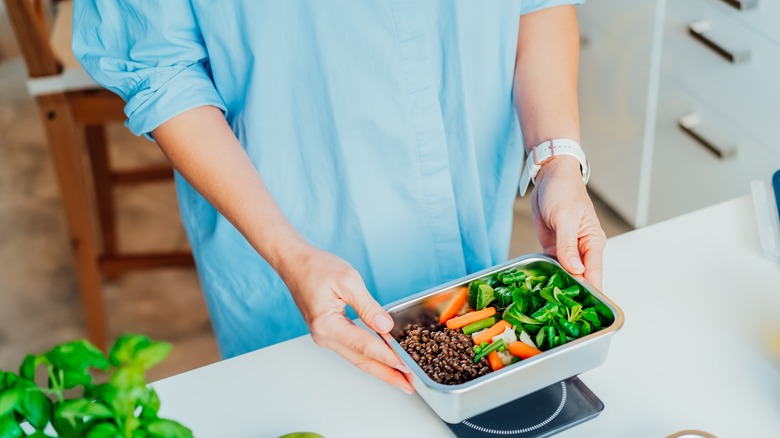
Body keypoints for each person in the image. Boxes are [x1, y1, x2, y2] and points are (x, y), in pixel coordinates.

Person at [73, 0, 605, 394]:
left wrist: (556, 159)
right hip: (292, 235)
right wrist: (289, 252)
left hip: (467, 213)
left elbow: (537, 8)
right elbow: (163, 74)